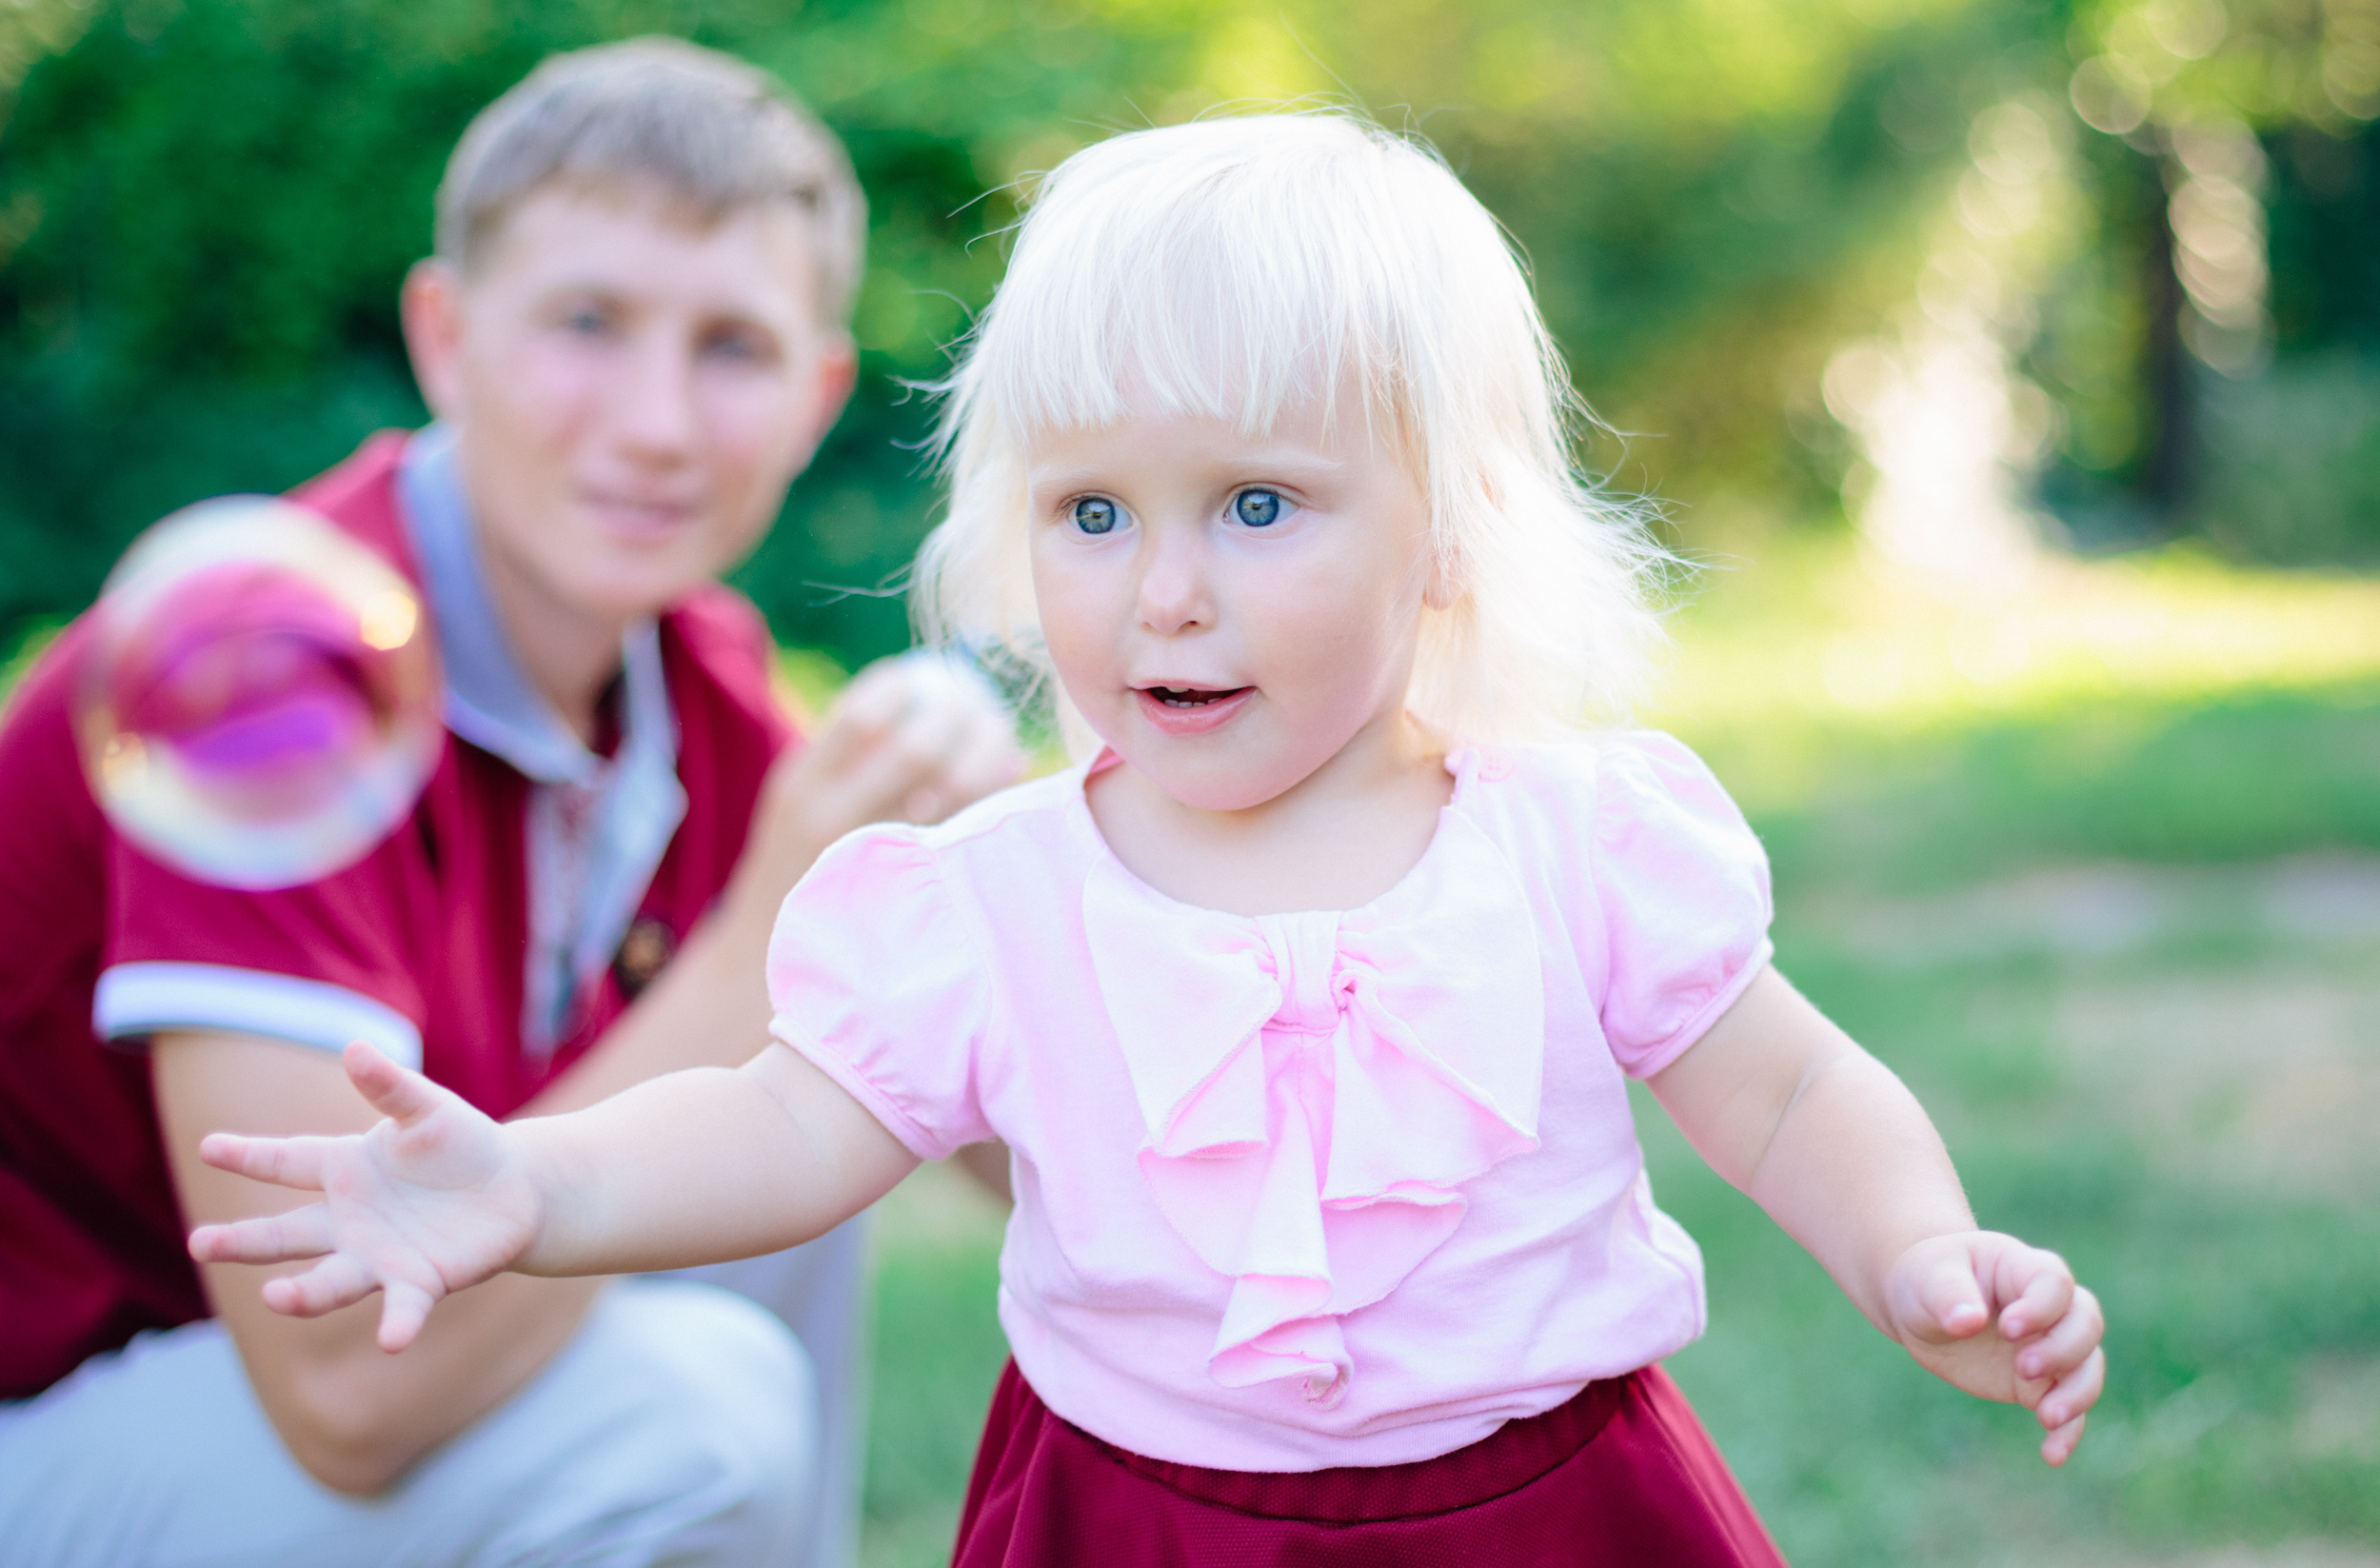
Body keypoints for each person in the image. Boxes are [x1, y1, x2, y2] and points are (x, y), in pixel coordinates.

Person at [186, 112, 2109, 1566]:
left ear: (1447, 528)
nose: (1158, 594)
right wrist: (537, 1188)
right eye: (1091, 512)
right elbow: (782, 1125)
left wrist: (1917, 1250)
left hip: (1548, 1504)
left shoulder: (1568, 840)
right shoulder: (988, 899)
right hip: (1136, 1514)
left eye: (1255, 506)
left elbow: (1778, 1096)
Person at [0, 38, 1019, 1568]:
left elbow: (1043, 1156)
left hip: (271, 1433)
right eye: (587, 324)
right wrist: (765, 931)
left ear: (815, 397)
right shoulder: (262, 669)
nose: (658, 422)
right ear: (445, 337)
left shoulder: (704, 685)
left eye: (731, 347)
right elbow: (341, 1393)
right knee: (690, 1410)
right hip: (61, 1418)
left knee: (821, 1123)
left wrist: (1019, 895)